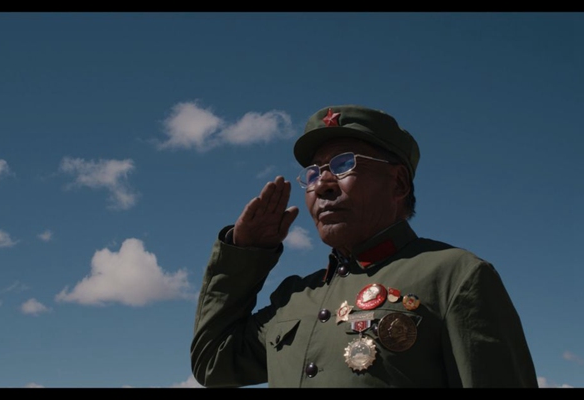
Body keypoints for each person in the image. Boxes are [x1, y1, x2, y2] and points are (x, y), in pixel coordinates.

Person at [190, 104, 538, 388]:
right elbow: (213, 363)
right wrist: (244, 254)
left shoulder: (453, 275)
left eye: (344, 164)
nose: (323, 184)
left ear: (398, 183)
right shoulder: (295, 297)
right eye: (313, 173)